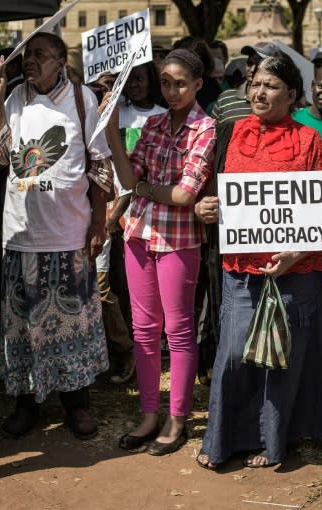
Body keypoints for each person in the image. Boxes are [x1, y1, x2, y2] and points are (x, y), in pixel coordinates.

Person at [194, 52, 322, 470]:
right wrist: (207, 208)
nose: (259, 91)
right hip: (241, 268)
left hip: (296, 269)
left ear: (292, 94)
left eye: (270, 86)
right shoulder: (232, 132)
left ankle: (273, 439)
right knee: (236, 352)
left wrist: (298, 250)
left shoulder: (310, 140)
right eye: (255, 83)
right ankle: (225, 438)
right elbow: (215, 195)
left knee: (283, 357)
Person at [0, 32, 112, 440]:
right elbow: (0, 156)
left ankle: (77, 405)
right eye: (28, 55)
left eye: (40, 54)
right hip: (22, 236)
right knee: (23, 327)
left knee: (72, 325)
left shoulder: (81, 99)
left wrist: (98, 223)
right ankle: (28, 404)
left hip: (68, 234)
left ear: (60, 60)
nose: (30, 61)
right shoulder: (16, 97)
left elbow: (99, 164)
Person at [103, 48, 215, 456]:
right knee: (144, 330)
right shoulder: (152, 124)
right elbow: (130, 176)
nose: (171, 90)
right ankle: (150, 414)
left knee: (179, 331)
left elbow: (186, 193)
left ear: (198, 84)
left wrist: (145, 190)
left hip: (179, 239)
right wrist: (112, 130)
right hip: (138, 234)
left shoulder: (206, 128)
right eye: (165, 82)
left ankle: (178, 417)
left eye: (180, 83)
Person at [102, 61, 167, 384]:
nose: (134, 85)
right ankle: (126, 351)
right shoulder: (117, 112)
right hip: (110, 208)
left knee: (137, 289)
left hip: (142, 212)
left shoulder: (160, 116)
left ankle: (145, 351)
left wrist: (119, 210)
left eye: (140, 79)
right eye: (130, 80)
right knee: (113, 285)